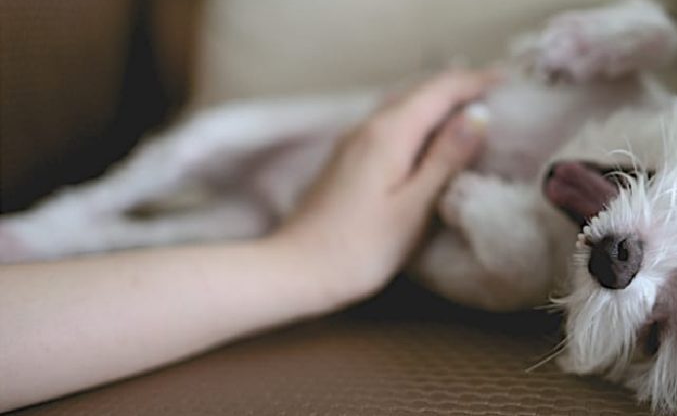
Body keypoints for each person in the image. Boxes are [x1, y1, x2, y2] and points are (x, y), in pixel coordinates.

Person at [0, 70, 496, 412]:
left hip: (282, 227)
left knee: (195, 220)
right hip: (307, 209)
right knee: (204, 148)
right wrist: (312, 262)